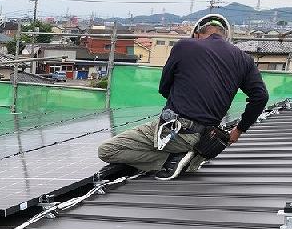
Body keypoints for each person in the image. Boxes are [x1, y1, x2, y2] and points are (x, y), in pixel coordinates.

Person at [97, 14, 269, 180]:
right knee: (175, 144)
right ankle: (189, 157)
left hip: (175, 130)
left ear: (196, 33)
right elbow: (261, 96)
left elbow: (164, 88)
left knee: (107, 150)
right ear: (225, 35)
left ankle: (173, 161)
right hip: (209, 140)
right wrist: (239, 130)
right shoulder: (244, 59)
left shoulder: (185, 46)